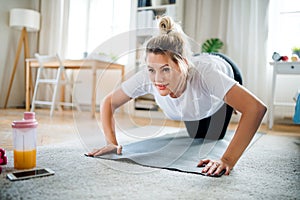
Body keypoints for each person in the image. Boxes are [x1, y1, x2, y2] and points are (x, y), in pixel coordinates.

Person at [87, 16, 267, 176]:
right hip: (191, 77)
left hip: (224, 68)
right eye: (152, 70)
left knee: (214, 137)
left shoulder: (206, 74)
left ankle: (228, 100)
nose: (157, 79)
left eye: (165, 69)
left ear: (183, 65)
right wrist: (111, 142)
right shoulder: (146, 77)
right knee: (197, 133)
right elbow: (108, 102)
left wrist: (227, 160)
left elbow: (256, 108)